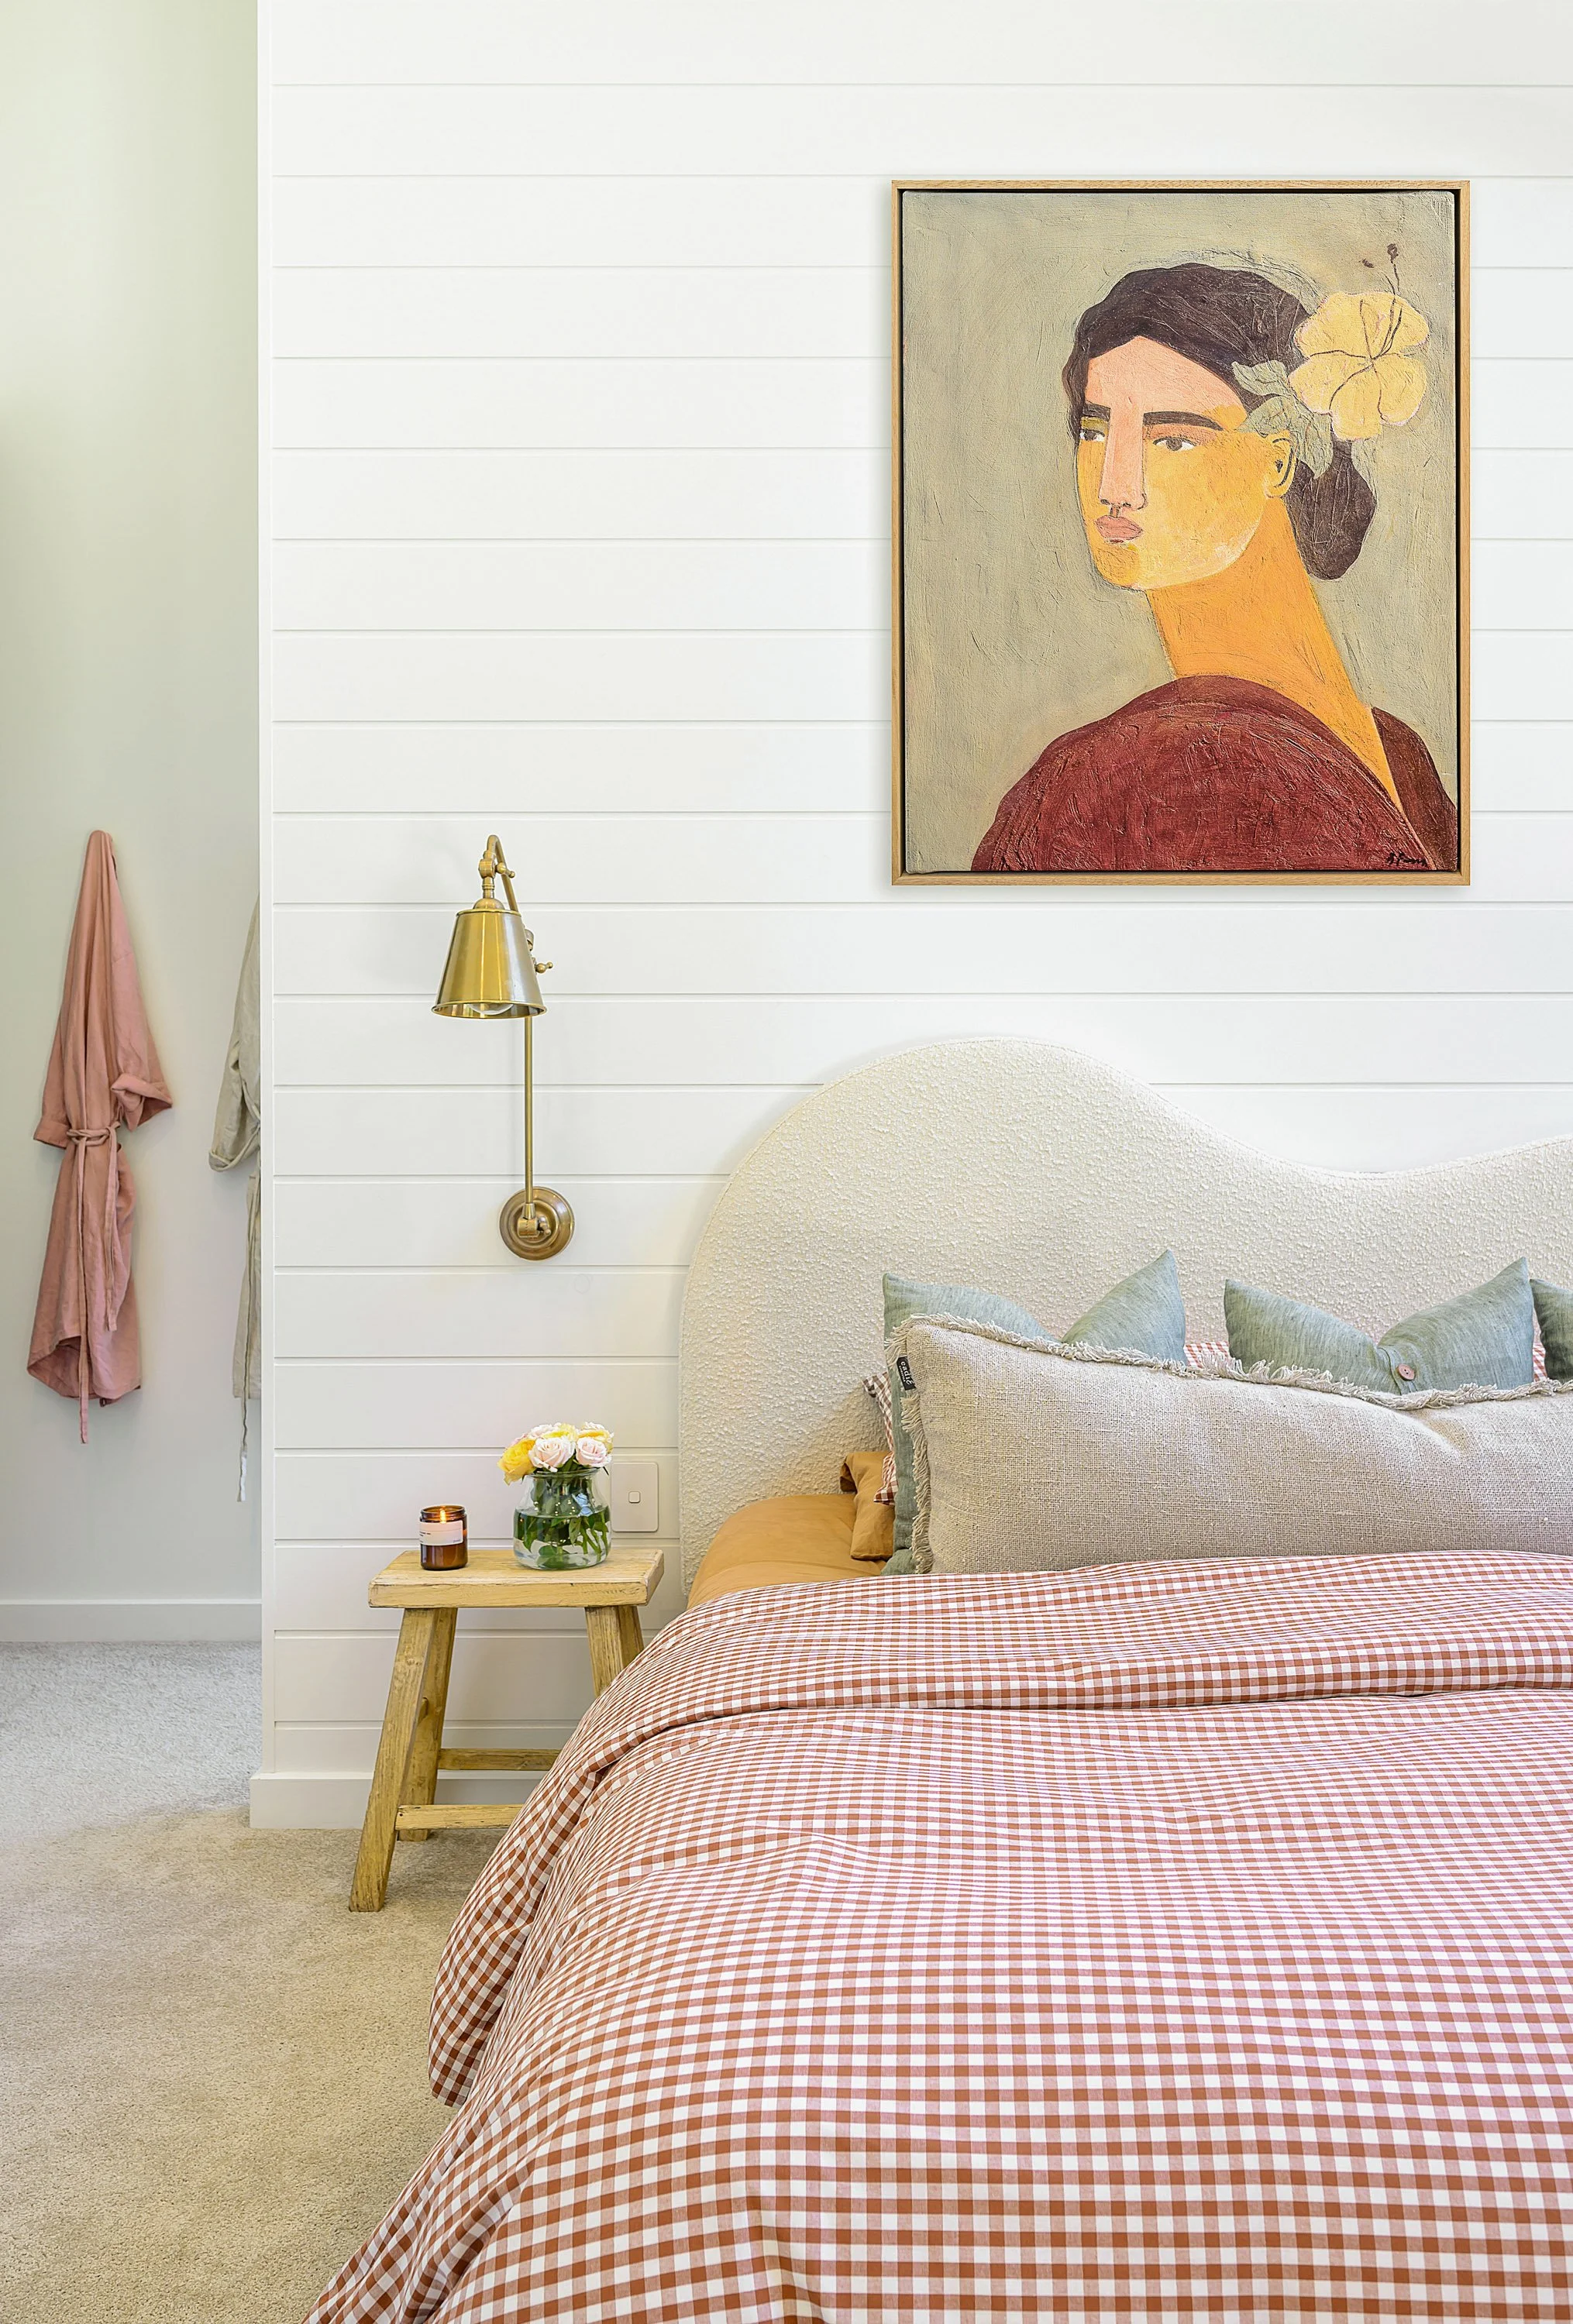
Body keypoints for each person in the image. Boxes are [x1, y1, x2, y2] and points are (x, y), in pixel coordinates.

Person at [971, 261, 1458, 875]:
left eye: (1173, 441)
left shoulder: (1116, 775)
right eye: (1094, 434)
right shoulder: (1104, 776)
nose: (1116, 487)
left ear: (1278, 463)